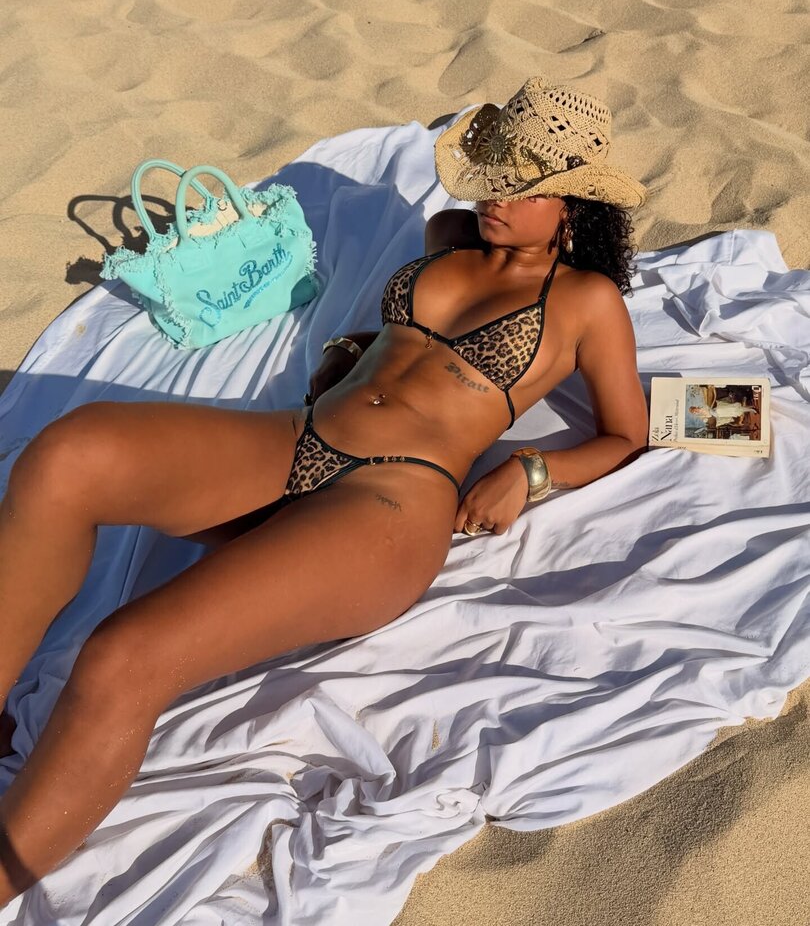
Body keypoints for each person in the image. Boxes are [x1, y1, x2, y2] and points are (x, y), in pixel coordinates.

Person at [0, 74, 649, 904]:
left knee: (127, 654)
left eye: (524, 185)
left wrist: (528, 472)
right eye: (495, 172)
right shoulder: (448, 233)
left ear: (572, 208)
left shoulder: (589, 302)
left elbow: (625, 434)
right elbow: (407, 343)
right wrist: (354, 351)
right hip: (299, 440)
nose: (496, 194)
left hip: (391, 506)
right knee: (65, 456)